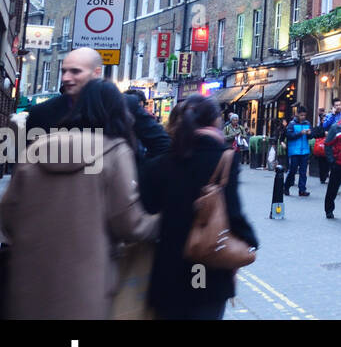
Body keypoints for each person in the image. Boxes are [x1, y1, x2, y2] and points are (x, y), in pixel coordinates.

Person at [0, 79, 158, 319]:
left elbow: (8, 216)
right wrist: (162, 221)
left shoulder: (37, 148)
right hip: (85, 287)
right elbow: (130, 224)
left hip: (29, 282)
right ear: (117, 111)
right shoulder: (115, 152)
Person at [141, 94, 257, 320]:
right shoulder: (223, 159)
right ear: (214, 121)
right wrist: (249, 240)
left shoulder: (160, 163)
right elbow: (233, 213)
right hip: (206, 266)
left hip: (170, 266)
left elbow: (149, 206)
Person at [23, 47, 169, 162]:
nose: (66, 78)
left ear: (96, 72)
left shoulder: (127, 105)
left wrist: (136, 176)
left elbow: (162, 145)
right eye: (64, 71)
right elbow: (26, 161)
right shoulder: (41, 112)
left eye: (75, 71)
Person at [284, 106, 313, 197]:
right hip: (294, 151)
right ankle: (286, 187)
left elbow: (311, 136)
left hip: (304, 150)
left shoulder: (307, 123)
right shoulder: (292, 124)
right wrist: (300, 133)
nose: (303, 117)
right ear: (297, 114)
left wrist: (310, 134)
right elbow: (289, 136)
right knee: (292, 170)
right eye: (301, 115)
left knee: (303, 172)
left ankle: (302, 189)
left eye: (304, 115)